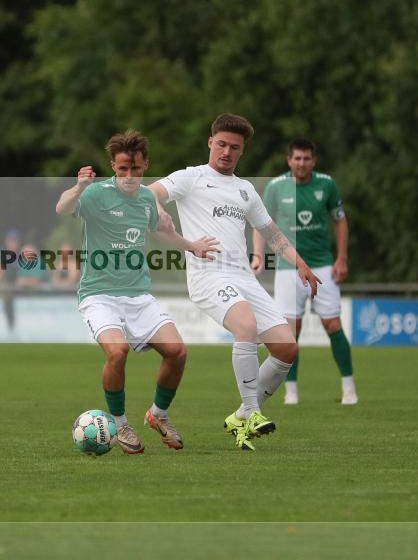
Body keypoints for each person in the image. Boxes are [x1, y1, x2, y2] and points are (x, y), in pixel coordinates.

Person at [150, 114, 320, 451]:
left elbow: (271, 233)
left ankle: (241, 415)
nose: (227, 151)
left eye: (235, 147)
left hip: (244, 278)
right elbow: (150, 193)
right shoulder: (191, 177)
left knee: (286, 348)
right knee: (246, 326)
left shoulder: (245, 190)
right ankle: (255, 412)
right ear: (210, 143)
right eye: (222, 144)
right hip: (208, 275)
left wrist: (300, 263)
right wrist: (159, 208)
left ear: (242, 152)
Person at [56, 129, 218, 453]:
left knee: (178, 352)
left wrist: (191, 246)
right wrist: (78, 186)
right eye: (122, 169)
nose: (129, 176)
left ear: (145, 166)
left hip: (138, 295)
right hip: (98, 294)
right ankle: (119, 424)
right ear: (113, 167)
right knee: (117, 352)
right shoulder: (95, 195)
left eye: (136, 169)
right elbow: (61, 208)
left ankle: (158, 415)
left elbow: (163, 232)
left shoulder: (147, 198)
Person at [252, 138, 356, 405]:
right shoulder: (276, 187)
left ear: (314, 160)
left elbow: (340, 222)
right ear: (289, 160)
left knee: (332, 324)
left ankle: (349, 389)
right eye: (297, 158)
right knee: (290, 332)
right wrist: (258, 255)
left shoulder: (327, 184)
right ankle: (292, 393)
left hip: (322, 264)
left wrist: (342, 259)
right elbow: (261, 223)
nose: (301, 163)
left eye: (306, 158)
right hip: (288, 268)